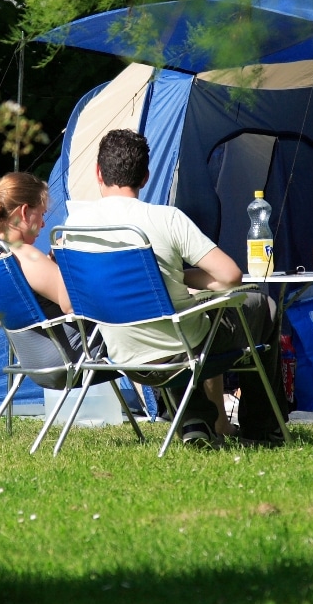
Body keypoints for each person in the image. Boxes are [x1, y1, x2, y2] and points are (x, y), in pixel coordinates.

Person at [62, 129, 284, 447]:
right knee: (263, 307)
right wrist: (184, 278)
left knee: (177, 316)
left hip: (121, 353)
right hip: (180, 351)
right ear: (146, 176)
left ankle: (195, 419)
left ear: (99, 172)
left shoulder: (73, 226)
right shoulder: (166, 219)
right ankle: (263, 428)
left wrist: (173, 278)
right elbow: (231, 275)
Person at [0, 172, 72, 315]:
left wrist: (50, 262)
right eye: (42, 214)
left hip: (32, 338)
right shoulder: (21, 254)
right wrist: (65, 257)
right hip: (79, 335)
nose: (43, 224)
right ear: (24, 212)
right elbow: (70, 304)